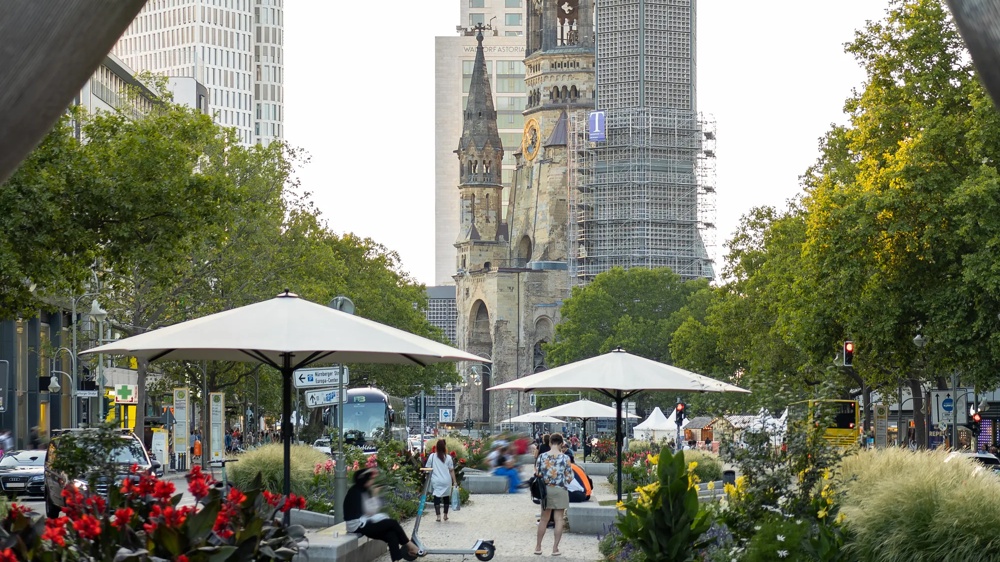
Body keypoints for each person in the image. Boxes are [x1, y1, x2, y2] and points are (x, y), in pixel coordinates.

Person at [344, 467, 420, 561]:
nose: (372, 482)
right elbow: (370, 511)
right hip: (357, 525)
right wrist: (374, 495)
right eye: (370, 479)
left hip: (364, 522)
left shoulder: (362, 490)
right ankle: (410, 546)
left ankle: (396, 559)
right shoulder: (355, 492)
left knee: (391, 534)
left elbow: (371, 512)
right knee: (392, 523)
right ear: (364, 480)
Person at [534, 433, 573, 556]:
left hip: (545, 490)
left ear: (550, 443)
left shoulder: (541, 457)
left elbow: (537, 473)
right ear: (561, 444)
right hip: (560, 489)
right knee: (559, 519)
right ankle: (555, 548)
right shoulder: (565, 458)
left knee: (544, 519)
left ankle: (538, 547)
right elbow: (569, 478)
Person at [424, 439, 458, 522]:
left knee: (437, 496)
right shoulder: (449, 458)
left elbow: (427, 468)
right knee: (446, 497)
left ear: (437, 447)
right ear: (444, 447)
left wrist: (426, 472)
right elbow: (451, 470)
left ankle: (438, 516)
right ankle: (445, 515)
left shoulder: (432, 456)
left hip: (436, 480)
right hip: (447, 480)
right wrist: (455, 481)